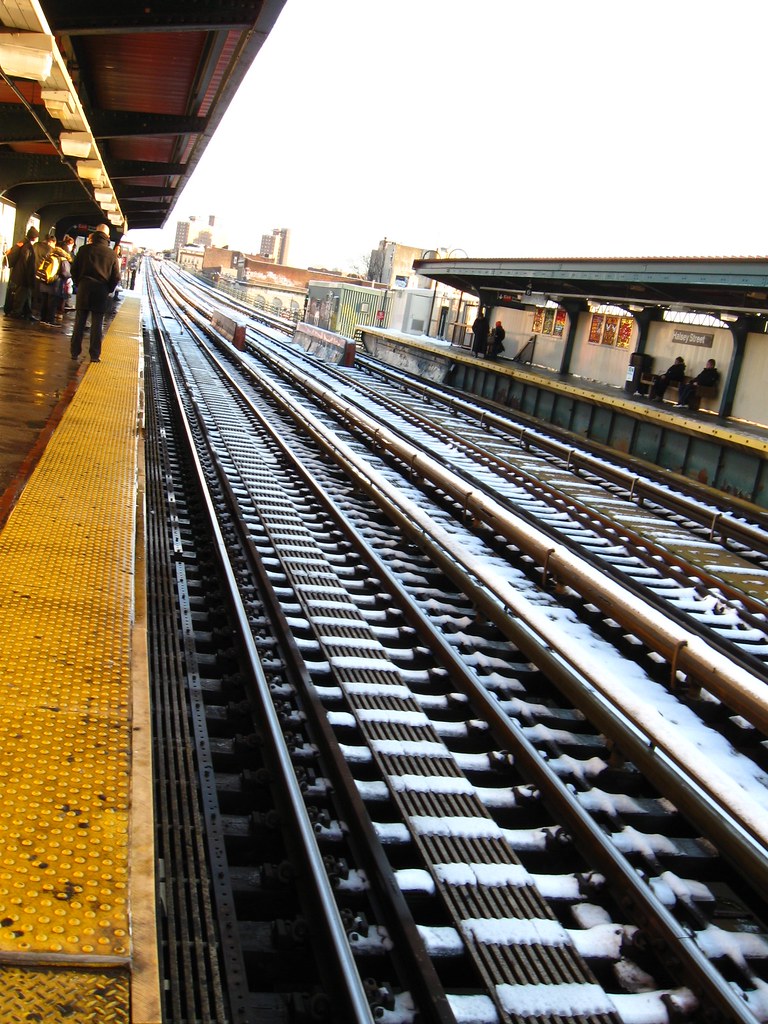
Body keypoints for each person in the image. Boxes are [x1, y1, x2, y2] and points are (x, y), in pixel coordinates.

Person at [69, 224, 121, 363]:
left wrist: (79, 283)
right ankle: (95, 355)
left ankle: (75, 352)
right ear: (107, 237)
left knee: (79, 322)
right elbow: (116, 276)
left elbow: (74, 270)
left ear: (95, 233)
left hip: (84, 288)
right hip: (101, 290)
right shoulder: (111, 254)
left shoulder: (83, 250)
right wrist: (108, 289)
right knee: (97, 324)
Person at [4, 226, 39, 319]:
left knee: (25, 295)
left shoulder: (22, 243)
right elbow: (27, 264)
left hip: (17, 274)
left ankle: (27, 313)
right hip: (23, 277)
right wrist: (29, 278)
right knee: (20, 296)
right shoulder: (28, 247)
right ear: (34, 237)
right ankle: (16, 313)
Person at [38, 236, 73, 327]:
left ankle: (43, 318)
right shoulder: (63, 259)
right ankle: (50, 320)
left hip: (44, 282)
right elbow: (66, 273)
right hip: (55, 285)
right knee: (52, 303)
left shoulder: (50, 255)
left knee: (44, 302)